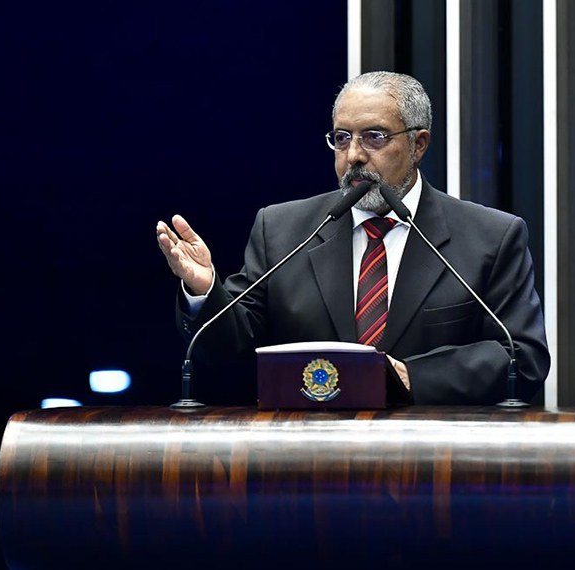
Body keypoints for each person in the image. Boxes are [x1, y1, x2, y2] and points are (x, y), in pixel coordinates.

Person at [156, 71, 550, 405]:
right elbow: (228, 348)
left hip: (436, 464)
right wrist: (205, 291)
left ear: (419, 144)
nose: (354, 155)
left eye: (374, 137)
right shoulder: (282, 229)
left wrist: (410, 376)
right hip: (310, 464)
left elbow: (523, 358)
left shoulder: (491, 236)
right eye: (342, 138)